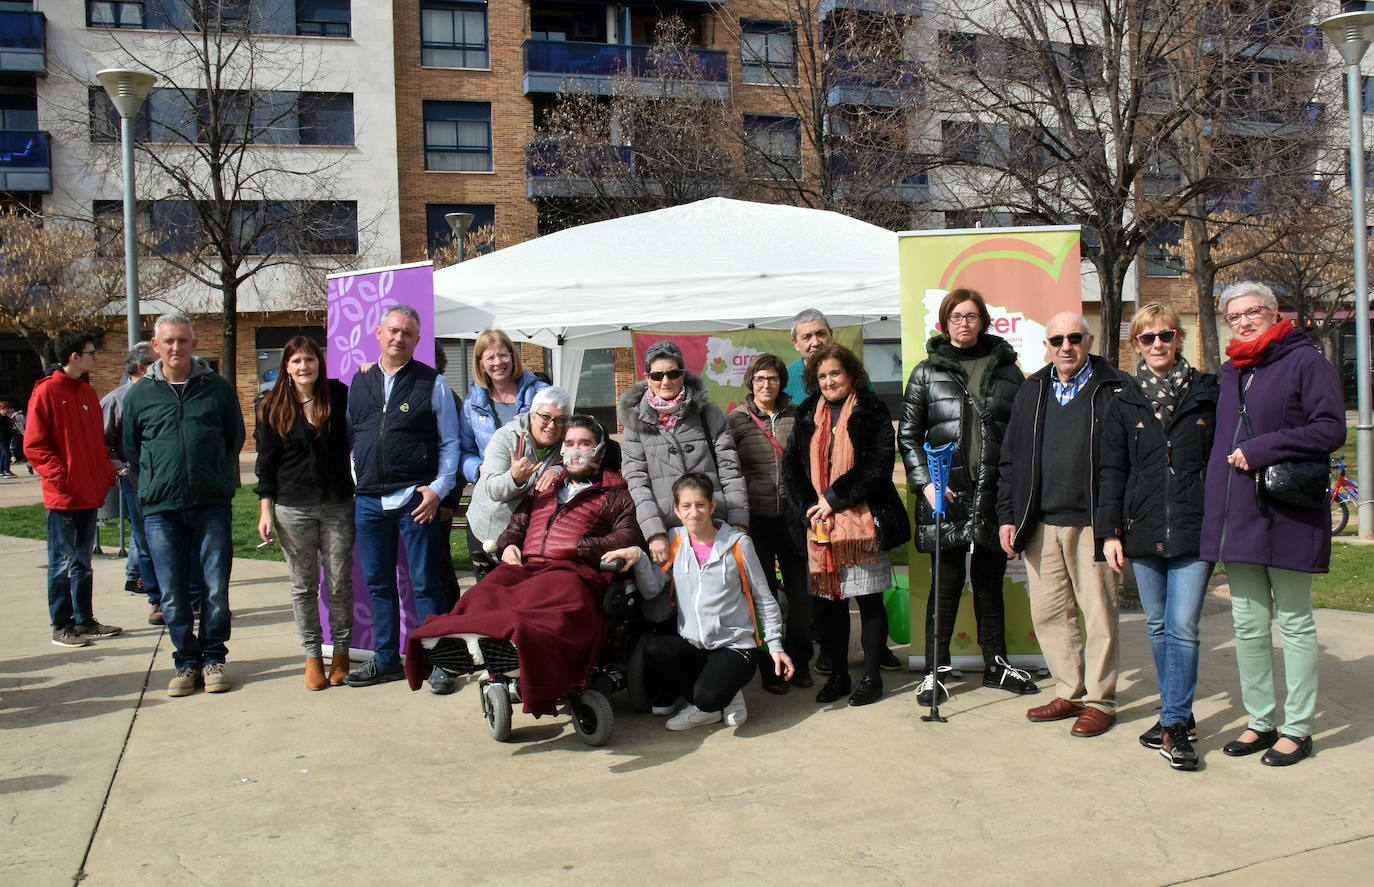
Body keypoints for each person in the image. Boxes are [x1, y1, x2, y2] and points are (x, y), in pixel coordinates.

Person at [403, 415, 643, 715]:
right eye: (569, 443)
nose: (575, 450)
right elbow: (516, 525)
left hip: (574, 571)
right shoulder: (544, 486)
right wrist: (510, 545)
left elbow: (628, 535)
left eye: (584, 443)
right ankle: (462, 644)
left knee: (543, 606)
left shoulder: (617, 492)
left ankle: (516, 650)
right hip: (526, 567)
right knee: (483, 593)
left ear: (601, 451)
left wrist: (578, 548)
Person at [1200, 282, 1345, 767]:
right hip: (1239, 514)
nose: (1242, 321)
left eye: (1252, 312)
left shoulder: (1307, 361)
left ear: (1273, 312)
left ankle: (1298, 728)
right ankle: (1261, 720)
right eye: (1234, 315)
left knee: (1297, 624)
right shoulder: (1231, 371)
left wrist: (1262, 449)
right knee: (1248, 624)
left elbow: (1330, 428)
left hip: (1288, 512)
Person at [898, 288, 1038, 707]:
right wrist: (927, 484)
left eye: (972, 316)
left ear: (984, 321)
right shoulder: (925, 373)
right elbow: (908, 436)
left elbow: (1020, 437)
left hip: (995, 494)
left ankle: (996, 664)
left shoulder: (1009, 372)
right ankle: (935, 671)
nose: (964, 323)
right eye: (956, 316)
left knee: (989, 582)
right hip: (945, 493)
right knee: (946, 583)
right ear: (945, 322)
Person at [1096, 304, 1217, 770]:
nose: (1158, 344)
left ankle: (1173, 723)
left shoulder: (1208, 393)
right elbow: (1111, 471)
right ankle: (1175, 717)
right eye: (1147, 338)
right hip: (1142, 529)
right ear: (1136, 345)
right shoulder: (1123, 400)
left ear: (1178, 338)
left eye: (1166, 334)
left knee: (1183, 627)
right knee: (1158, 625)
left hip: (1194, 526)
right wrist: (1110, 532)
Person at [996, 312, 1126, 738]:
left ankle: (1101, 700)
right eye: (1056, 340)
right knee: (1050, 614)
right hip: (1040, 522)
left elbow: (1124, 462)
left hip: (1092, 522)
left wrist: (1114, 525)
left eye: (1074, 338)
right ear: (1046, 346)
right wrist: (1008, 517)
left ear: (1088, 341)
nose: (1065, 346)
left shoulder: (1114, 387)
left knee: (1099, 615)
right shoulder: (1031, 389)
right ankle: (1069, 692)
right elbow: (1011, 460)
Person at [609, 472, 794, 730]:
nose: (693, 512)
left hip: (735, 646)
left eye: (700, 505)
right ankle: (713, 703)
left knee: (708, 696)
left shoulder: (738, 544)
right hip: (695, 645)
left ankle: (714, 700)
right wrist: (639, 557)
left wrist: (775, 646)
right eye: (686, 506)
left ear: (712, 506)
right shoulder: (675, 541)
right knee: (655, 649)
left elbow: (763, 597)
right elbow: (652, 589)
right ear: (677, 509)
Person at [124, 313, 245, 695]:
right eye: (169, 341)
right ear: (155, 347)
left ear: (194, 344)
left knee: (213, 588)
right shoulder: (140, 394)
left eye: (183, 340)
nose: (176, 348)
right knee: (173, 591)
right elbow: (130, 445)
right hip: (161, 508)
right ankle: (186, 662)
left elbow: (234, 438)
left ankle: (213, 658)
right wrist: (160, 476)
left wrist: (211, 472)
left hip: (211, 503)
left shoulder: (218, 388)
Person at [784, 343, 910, 707]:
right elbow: (792, 465)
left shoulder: (872, 409)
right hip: (819, 526)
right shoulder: (808, 411)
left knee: (869, 601)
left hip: (862, 524)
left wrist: (834, 498)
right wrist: (812, 507)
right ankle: (838, 675)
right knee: (830, 605)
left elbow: (878, 466)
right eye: (822, 376)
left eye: (835, 373)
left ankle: (871, 677)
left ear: (851, 374)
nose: (828, 381)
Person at [345, 305, 461, 693]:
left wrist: (438, 489)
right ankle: (385, 660)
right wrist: (355, 477)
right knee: (378, 584)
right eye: (393, 330)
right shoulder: (358, 382)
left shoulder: (433, 383)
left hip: (416, 500)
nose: (399, 338)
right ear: (378, 332)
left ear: (417, 340)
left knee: (427, 582)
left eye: (408, 333)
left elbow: (450, 444)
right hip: (368, 502)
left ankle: (439, 662)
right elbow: (353, 437)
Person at [255, 336, 356, 692]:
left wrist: (369, 370)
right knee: (303, 585)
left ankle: (341, 653)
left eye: (309, 360)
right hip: (291, 506)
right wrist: (265, 510)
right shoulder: (271, 405)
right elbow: (265, 464)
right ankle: (313, 655)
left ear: (319, 363)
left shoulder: (338, 394)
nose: (303, 367)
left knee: (340, 581)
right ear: (286, 366)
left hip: (337, 503)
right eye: (296, 361)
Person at [26, 331, 120, 648]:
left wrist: (105, 473)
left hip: (87, 494)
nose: (96, 358)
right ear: (74, 357)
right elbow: (35, 446)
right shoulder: (47, 392)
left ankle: (84, 620)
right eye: (91, 353)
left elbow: (97, 443)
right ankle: (61, 624)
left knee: (83, 561)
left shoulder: (87, 394)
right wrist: (62, 477)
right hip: (64, 496)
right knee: (61, 563)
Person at [618, 339, 749, 565]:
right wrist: (654, 531)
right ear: (647, 377)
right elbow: (637, 481)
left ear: (683, 375)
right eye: (657, 376)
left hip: (713, 525)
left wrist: (739, 520)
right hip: (667, 533)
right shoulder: (635, 422)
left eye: (673, 373)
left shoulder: (709, 413)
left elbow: (730, 469)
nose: (666, 381)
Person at [727, 353, 811, 692]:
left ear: (781, 382)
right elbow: (728, 468)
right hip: (755, 519)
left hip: (793, 517)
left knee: (801, 596)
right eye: (760, 378)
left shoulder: (799, 415)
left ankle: (800, 661)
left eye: (773, 378)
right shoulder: (736, 420)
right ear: (751, 381)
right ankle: (770, 668)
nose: (766, 385)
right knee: (763, 597)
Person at [458, 329, 549, 578]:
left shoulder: (539, 394)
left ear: (513, 356)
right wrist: (476, 468)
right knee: (488, 587)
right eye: (490, 358)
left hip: (531, 503)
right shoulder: (472, 403)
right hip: (489, 506)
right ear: (480, 363)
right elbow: (463, 451)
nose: (498, 362)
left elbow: (558, 438)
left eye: (503, 355)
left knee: (526, 582)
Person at [466, 386, 571, 560]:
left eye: (560, 420)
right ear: (532, 415)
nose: (552, 425)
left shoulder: (566, 440)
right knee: (492, 586)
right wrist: (514, 478)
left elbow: (591, 443)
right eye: (545, 417)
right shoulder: (504, 438)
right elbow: (492, 489)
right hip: (490, 530)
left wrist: (558, 468)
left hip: (529, 534)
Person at [102, 342, 166, 623]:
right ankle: (157, 599)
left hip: (168, 480)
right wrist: (123, 470)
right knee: (146, 540)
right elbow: (104, 444)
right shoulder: (115, 401)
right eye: (156, 362)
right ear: (143, 367)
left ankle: (188, 597)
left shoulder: (165, 393)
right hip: (137, 482)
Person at [784, 307, 834, 405]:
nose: (815, 343)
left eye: (820, 334)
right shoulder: (784, 378)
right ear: (796, 344)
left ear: (831, 335)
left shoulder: (851, 371)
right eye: (807, 337)